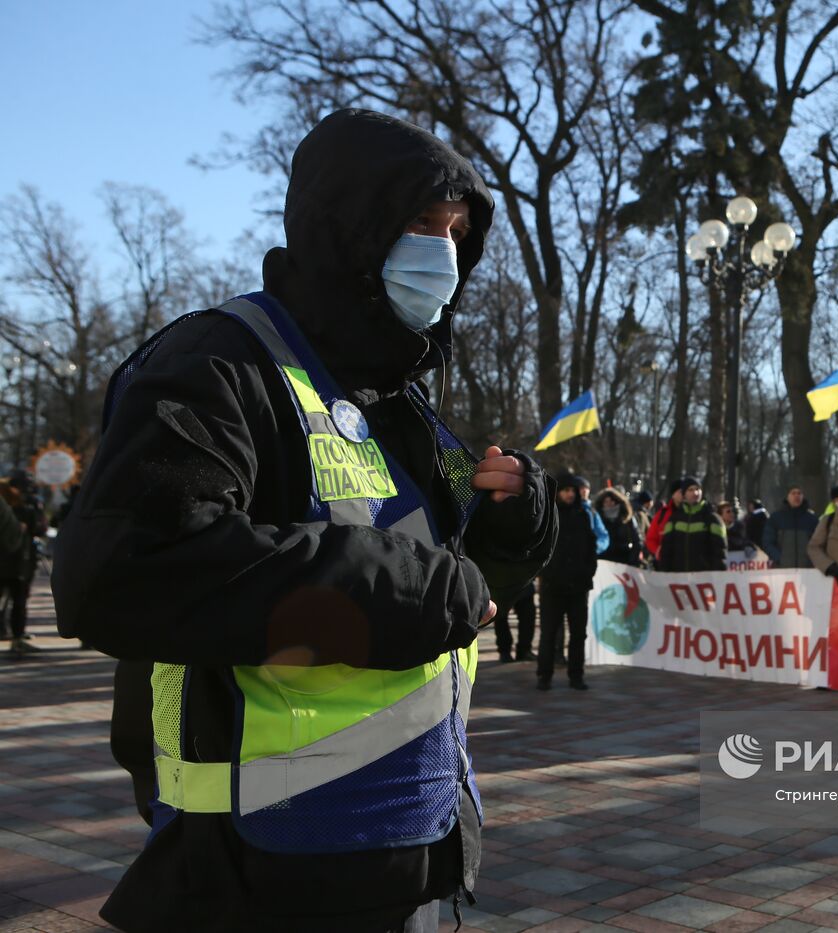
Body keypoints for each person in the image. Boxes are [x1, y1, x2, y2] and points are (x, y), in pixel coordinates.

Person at [51, 109, 559, 933]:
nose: (443, 252)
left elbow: (463, 594)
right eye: (418, 222)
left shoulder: (401, 399)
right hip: (256, 878)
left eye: (457, 230)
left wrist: (515, 523)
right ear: (346, 227)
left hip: (407, 847)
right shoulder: (219, 364)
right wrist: (401, 586)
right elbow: (118, 570)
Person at [538, 475, 599, 691]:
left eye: (573, 490)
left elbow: (591, 547)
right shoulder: (548, 514)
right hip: (552, 586)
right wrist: (546, 574)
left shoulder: (584, 515)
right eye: (565, 490)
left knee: (578, 634)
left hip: (578, 586)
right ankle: (544, 676)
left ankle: (576, 675)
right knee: (549, 634)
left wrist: (588, 572)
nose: (570, 494)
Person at [3, 471, 47, 655]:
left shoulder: (11, 508)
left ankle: (12, 635)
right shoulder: (26, 510)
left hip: (14, 562)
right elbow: (40, 528)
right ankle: (17, 638)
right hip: (20, 562)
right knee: (19, 601)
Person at [656, 478, 727, 571]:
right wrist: (664, 572)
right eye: (691, 490)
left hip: (704, 579)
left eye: (698, 489)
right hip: (678, 578)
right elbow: (666, 550)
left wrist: (718, 576)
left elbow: (720, 553)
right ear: (684, 494)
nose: (695, 493)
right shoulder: (674, 519)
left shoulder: (712, 519)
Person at [764, 486, 819, 569]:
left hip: (807, 570)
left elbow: (818, 543)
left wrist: (812, 560)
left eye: (799, 493)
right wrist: (779, 558)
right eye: (793, 493)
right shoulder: (776, 518)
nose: (796, 496)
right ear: (787, 496)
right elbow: (767, 542)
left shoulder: (812, 519)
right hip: (781, 569)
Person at [595, 488, 643, 566]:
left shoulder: (627, 518)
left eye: (611, 501)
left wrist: (632, 560)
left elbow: (637, 540)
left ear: (617, 502)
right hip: (602, 561)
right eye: (606, 501)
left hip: (624, 561)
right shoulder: (597, 519)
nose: (609, 504)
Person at [495, 578, 537, 663]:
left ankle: (524, 650)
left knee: (528, 617)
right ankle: (505, 651)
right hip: (501, 582)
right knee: (501, 619)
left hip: (524, 582)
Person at [646, 479, 684, 562]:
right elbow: (651, 538)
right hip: (666, 563)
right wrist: (658, 552)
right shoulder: (662, 514)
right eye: (680, 491)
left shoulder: (696, 514)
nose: (684, 494)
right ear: (673, 494)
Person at [574, 476, 610, 556]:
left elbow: (603, 535)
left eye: (586, 488)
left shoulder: (592, 512)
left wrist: (594, 547)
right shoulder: (562, 509)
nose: (584, 491)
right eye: (581, 488)